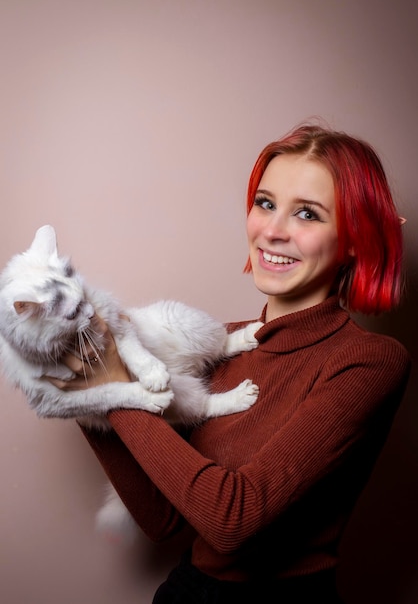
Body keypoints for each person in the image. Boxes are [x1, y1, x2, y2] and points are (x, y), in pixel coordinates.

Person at [51, 123, 411, 603]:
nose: (273, 230)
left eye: (307, 213)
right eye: (265, 203)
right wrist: (83, 387)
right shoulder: (220, 342)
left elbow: (231, 521)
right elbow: (162, 518)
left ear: (352, 239)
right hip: (186, 591)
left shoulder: (369, 362)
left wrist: (115, 386)